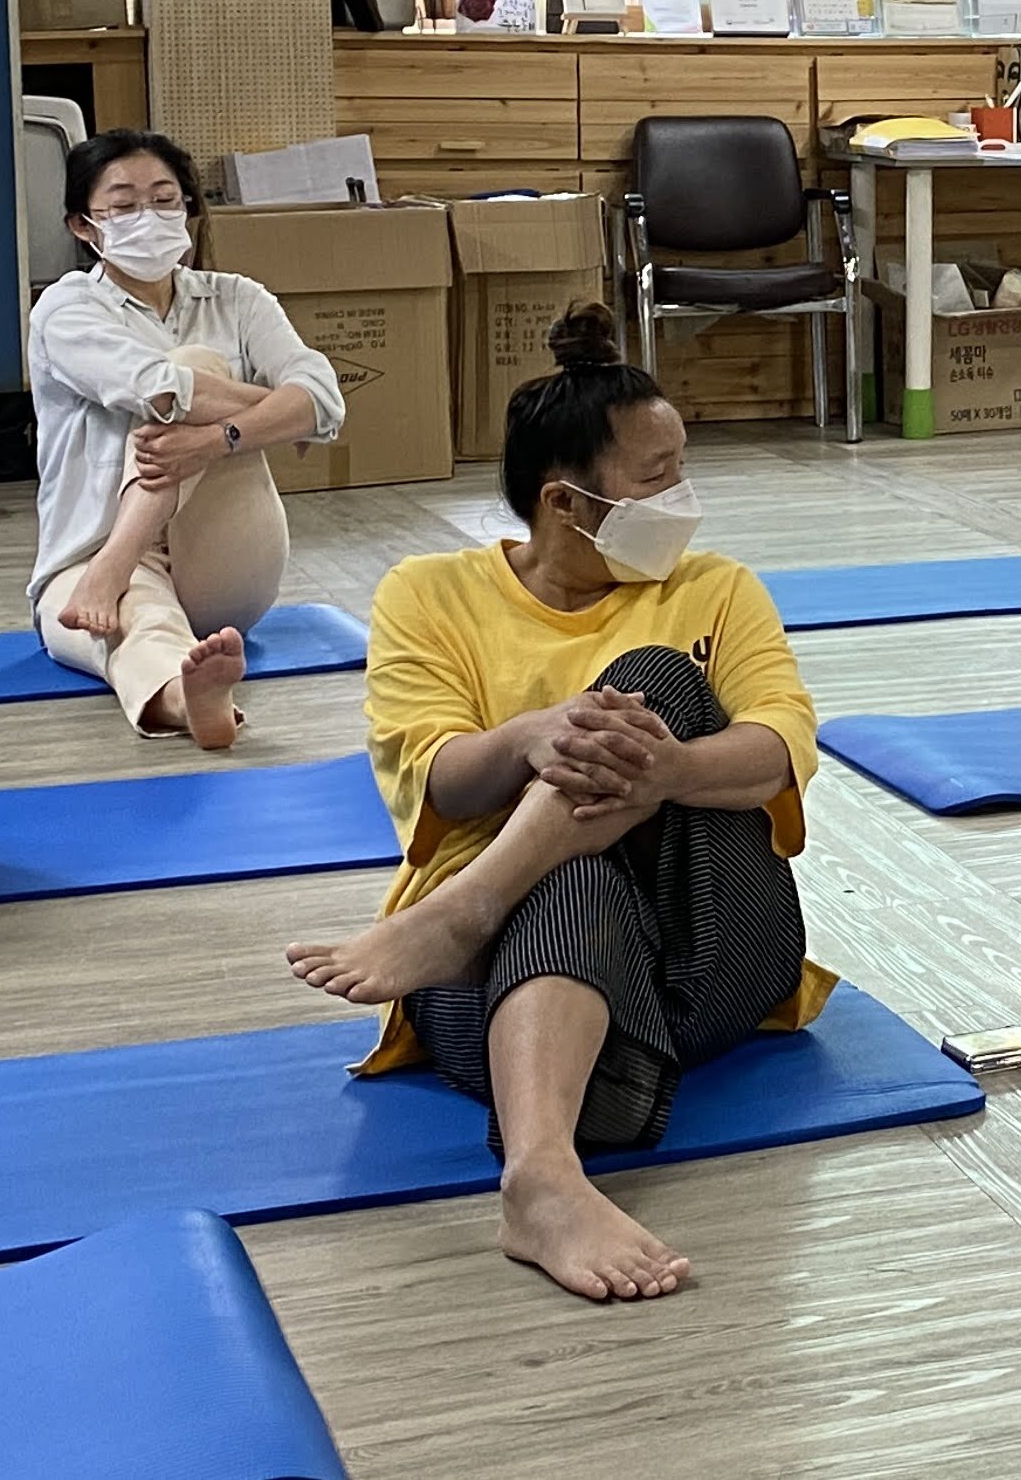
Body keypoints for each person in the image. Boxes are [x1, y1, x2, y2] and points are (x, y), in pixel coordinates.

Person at [285, 307, 827, 1305]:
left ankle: (465, 909)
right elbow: (433, 775)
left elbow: (781, 746)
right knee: (573, 880)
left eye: (682, 467)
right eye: (656, 476)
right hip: (519, 991)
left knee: (652, 682)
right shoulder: (428, 593)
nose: (683, 495)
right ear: (566, 504)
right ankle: (540, 1178)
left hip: (704, 941)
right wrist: (530, 736)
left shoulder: (716, 589)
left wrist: (666, 772)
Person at [27, 131, 343, 750]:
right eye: (124, 205)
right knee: (128, 622)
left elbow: (324, 395)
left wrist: (221, 439)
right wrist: (278, 414)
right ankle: (185, 697)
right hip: (84, 556)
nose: (148, 216)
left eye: (165, 199)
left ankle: (116, 569)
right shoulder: (65, 309)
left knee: (194, 365)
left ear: (188, 208)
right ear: (84, 226)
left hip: (227, 559)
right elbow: (162, 390)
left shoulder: (239, 299)